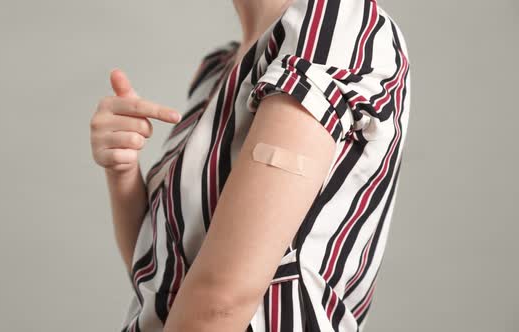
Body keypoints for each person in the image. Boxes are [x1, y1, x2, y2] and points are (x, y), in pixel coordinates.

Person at [89, 0, 411, 330]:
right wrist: (122, 172)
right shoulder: (218, 68)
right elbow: (161, 280)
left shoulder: (329, 31)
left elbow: (221, 301)